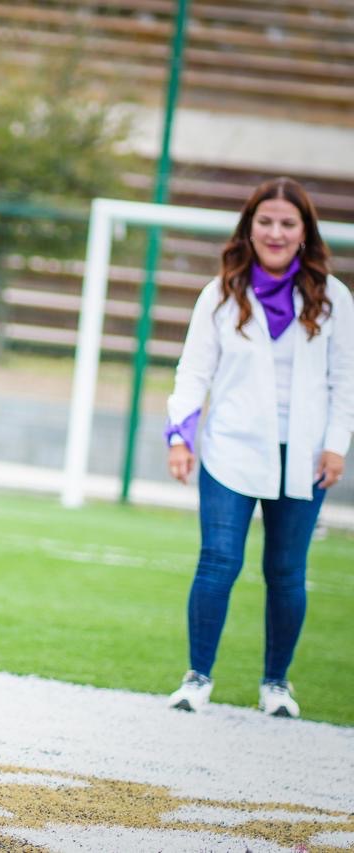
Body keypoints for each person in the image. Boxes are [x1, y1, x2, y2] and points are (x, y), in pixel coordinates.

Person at [165, 177, 353, 718]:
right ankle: (197, 678)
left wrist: (336, 446)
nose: (275, 232)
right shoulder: (221, 293)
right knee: (218, 561)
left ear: (304, 232)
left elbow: (347, 381)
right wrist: (181, 436)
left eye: (287, 223)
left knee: (287, 570)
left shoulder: (334, 298)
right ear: (249, 228)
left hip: (304, 456)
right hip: (231, 451)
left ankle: (276, 684)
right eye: (265, 221)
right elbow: (193, 371)